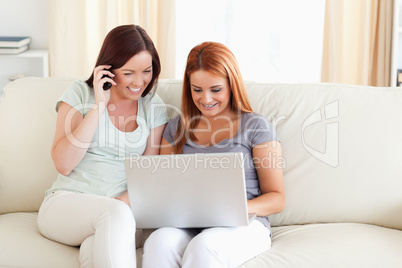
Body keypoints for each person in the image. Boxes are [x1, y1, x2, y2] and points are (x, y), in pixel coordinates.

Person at [142, 42, 286, 268]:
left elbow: (277, 198)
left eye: (216, 89)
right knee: (158, 243)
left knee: (205, 247)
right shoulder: (175, 129)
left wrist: (231, 208)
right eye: (197, 89)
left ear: (232, 85)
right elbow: (164, 190)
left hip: (245, 224)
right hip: (190, 223)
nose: (206, 99)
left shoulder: (256, 126)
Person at [37, 24, 169, 268]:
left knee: (96, 247)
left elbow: (149, 172)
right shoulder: (80, 93)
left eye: (147, 71)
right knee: (114, 215)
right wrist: (99, 105)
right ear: (108, 69)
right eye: (129, 73)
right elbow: (64, 164)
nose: (139, 82)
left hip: (123, 212)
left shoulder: (153, 105)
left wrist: (123, 203)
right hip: (66, 205)